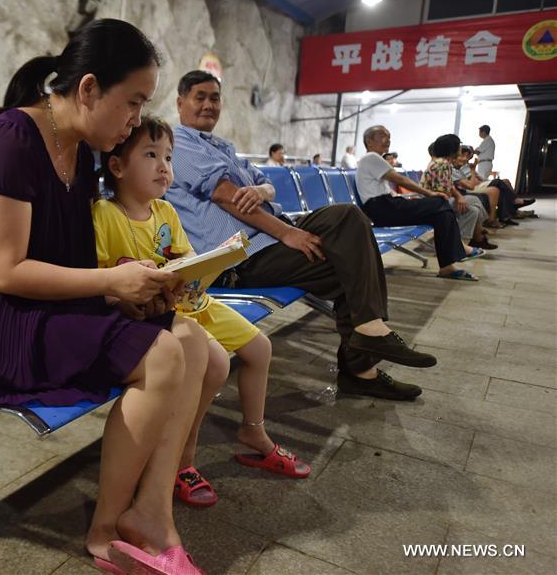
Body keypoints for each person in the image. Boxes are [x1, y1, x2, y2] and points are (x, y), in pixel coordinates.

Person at [0, 20, 207, 575]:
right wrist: (110, 284)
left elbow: (73, 261)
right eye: (132, 103)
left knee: (192, 338)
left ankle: (151, 509)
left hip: (49, 311)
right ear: (87, 90)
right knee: (161, 356)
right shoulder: (10, 141)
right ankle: (107, 528)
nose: (136, 120)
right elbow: (5, 272)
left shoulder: (78, 149)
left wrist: (131, 286)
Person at [168, 70, 437, 403]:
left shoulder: (222, 146)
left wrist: (262, 189)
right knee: (349, 269)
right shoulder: (178, 143)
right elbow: (227, 196)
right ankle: (361, 368)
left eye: (215, 97)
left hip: (267, 240)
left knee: (349, 217)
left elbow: (266, 183)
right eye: (200, 97)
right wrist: (289, 233)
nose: (209, 104)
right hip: (238, 257)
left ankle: (369, 330)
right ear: (181, 102)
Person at [93, 116, 310, 507]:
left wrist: (207, 261)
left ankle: (253, 431)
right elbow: (104, 278)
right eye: (151, 155)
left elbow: (187, 256)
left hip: (195, 302)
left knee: (260, 349)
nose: (164, 166)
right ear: (117, 166)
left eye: (169, 157)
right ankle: (183, 460)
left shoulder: (165, 212)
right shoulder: (106, 216)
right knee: (215, 365)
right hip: (162, 316)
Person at [357, 125, 480, 281]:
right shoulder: (371, 158)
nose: (388, 140)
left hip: (386, 206)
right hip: (382, 208)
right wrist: (429, 193)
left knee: (440, 214)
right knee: (439, 202)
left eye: (389, 136)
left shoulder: (373, 161)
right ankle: (460, 248)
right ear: (368, 140)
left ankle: (447, 267)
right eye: (383, 136)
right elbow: (400, 179)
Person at [421, 135, 493, 253]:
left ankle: (464, 243)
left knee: (472, 206)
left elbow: (448, 186)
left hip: (436, 200)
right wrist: (458, 198)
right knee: (472, 205)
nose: (460, 149)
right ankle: (464, 243)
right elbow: (442, 191)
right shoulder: (442, 164)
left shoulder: (443, 163)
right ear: (452, 148)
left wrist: (459, 197)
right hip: (433, 203)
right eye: (459, 146)